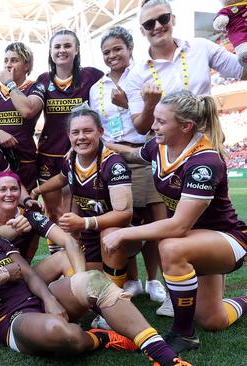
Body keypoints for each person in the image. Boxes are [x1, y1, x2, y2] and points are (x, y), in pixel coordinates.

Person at [0, 191, 191, 366]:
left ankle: (162, 354)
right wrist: (1, 274)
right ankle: (101, 337)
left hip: (35, 296)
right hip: (11, 319)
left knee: (93, 279)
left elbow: (27, 273)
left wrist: (49, 300)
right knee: (64, 334)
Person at [104, 90, 247, 353]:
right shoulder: (160, 146)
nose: (153, 126)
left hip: (225, 239)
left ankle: (183, 334)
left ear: (186, 126)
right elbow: (136, 154)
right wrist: (104, 147)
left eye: (160, 121)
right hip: (195, 239)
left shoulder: (204, 161)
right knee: (213, 320)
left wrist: (124, 234)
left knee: (170, 245)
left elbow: (179, 226)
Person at [89, 25, 166, 303]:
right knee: (124, 219)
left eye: (117, 49)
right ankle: (132, 279)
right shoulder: (96, 88)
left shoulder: (145, 76)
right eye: (106, 52)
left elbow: (156, 118)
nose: (112, 56)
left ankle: (154, 280)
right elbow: (98, 127)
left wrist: (125, 104)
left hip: (143, 154)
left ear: (130, 49)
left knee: (154, 220)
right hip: (113, 158)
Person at [30, 106, 136, 283]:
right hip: (89, 234)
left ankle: (115, 297)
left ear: (100, 132)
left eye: (88, 131)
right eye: (75, 132)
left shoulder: (114, 164)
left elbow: (124, 215)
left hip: (118, 234)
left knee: (109, 234)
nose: (81, 137)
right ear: (69, 135)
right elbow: (62, 179)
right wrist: (37, 190)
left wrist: (83, 222)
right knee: (76, 280)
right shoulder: (72, 158)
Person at [122, 0, 246, 134]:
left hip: (208, 141)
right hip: (170, 150)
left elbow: (242, 71)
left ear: (173, 19)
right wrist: (149, 105)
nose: (157, 26)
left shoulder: (201, 47)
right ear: (142, 31)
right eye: (149, 24)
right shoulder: (136, 74)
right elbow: (141, 128)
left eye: (163, 19)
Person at [28, 30, 104, 245]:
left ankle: (76, 258)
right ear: (51, 52)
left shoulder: (92, 76)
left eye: (67, 46)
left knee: (72, 214)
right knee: (53, 213)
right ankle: (59, 261)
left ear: (77, 49)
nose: (62, 50)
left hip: (78, 156)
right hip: (48, 156)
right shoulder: (43, 80)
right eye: (57, 47)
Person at [0, 171, 84, 276]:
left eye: (14, 189)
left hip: (23, 277)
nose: (9, 194)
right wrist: (2, 232)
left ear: (20, 192)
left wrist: (80, 279)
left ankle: (78, 284)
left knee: (65, 257)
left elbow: (69, 241)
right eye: (3, 189)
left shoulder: (29, 216)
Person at [0, 42, 41, 191]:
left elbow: (27, 111)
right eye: (6, 60)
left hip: (25, 159)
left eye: (14, 60)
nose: (8, 65)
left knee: (26, 204)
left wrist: (9, 83)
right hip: (0, 158)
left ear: (27, 65)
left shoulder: (35, 87)